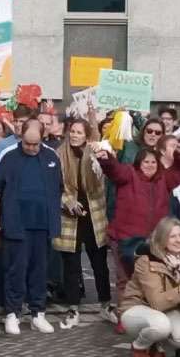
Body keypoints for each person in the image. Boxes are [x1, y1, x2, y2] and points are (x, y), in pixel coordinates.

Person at [0, 120, 61, 335]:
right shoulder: (9, 155)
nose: (31, 148)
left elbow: (59, 188)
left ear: (42, 138)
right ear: (21, 137)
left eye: (35, 144)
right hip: (16, 221)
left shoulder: (51, 157)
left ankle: (38, 313)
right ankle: (13, 313)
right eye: (28, 144)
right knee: (15, 269)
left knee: (40, 269)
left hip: (43, 223)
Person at [118, 217, 180, 357]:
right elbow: (156, 302)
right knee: (160, 326)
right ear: (162, 239)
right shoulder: (148, 260)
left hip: (168, 308)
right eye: (172, 236)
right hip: (139, 306)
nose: (178, 240)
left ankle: (155, 343)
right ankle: (139, 347)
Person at [101, 145, 180, 287]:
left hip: (155, 240)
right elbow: (114, 170)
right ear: (138, 163)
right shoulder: (129, 173)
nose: (150, 165)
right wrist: (106, 159)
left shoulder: (164, 177)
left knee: (155, 282)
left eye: (153, 162)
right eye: (146, 162)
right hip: (127, 239)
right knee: (127, 282)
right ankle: (127, 310)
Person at [55, 120, 113, 326]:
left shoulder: (95, 151)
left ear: (87, 135)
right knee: (71, 264)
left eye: (79, 132)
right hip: (70, 215)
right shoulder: (59, 154)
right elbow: (55, 185)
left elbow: (107, 171)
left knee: (100, 263)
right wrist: (66, 201)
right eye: (72, 131)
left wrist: (102, 153)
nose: (74, 135)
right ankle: (73, 307)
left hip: (94, 214)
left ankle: (106, 303)